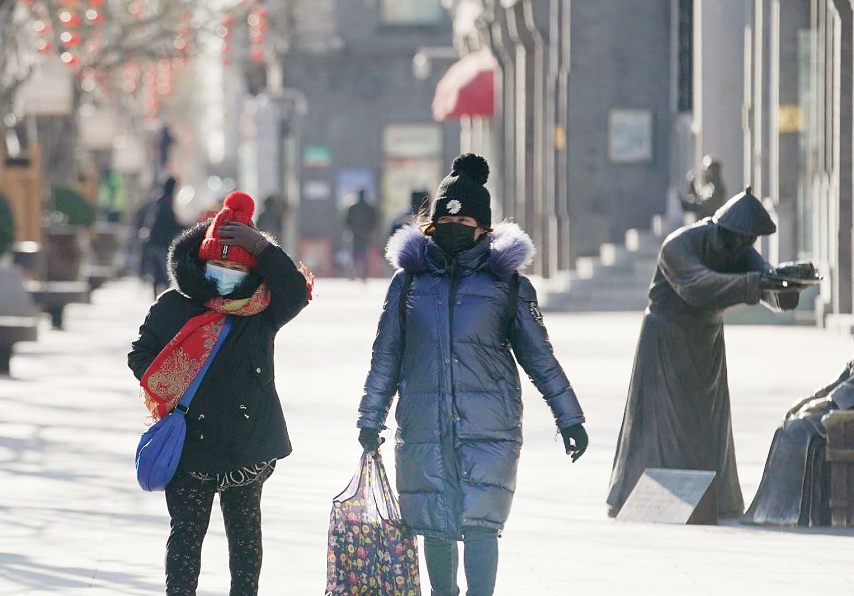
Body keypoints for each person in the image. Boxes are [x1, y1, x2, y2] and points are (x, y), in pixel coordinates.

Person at [357, 154, 589, 596]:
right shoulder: (409, 283)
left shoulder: (507, 285)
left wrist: (569, 417)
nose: (453, 224)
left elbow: (540, 357)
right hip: (425, 421)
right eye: (446, 216)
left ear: (484, 227)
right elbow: (385, 356)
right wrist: (370, 417)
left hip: (490, 423)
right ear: (431, 222)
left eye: (464, 217)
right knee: (435, 523)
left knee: (482, 523)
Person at [128, 191, 310, 596]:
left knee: (245, 541)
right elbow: (140, 353)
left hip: (248, 444)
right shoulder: (175, 306)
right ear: (203, 262)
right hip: (192, 443)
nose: (226, 271)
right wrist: (171, 378)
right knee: (186, 539)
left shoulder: (263, 309)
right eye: (218, 263)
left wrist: (260, 246)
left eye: (235, 265)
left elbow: (296, 291)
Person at [606, 187, 803, 519]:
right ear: (725, 230)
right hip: (666, 342)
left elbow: (765, 281)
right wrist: (758, 283)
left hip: (706, 341)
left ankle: (717, 498)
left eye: (752, 240)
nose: (747, 245)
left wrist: (787, 283)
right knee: (662, 423)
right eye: (744, 238)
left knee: (707, 423)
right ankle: (643, 495)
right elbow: (697, 286)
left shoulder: (738, 246)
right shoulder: (678, 246)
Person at [744, 356, 854, 526]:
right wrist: (809, 400)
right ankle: (772, 508)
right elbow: (837, 383)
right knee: (788, 425)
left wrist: (824, 402)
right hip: (840, 407)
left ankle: (792, 511)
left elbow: (846, 393)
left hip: (846, 412)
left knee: (799, 430)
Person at [144, 177, 184, 298]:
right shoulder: (167, 202)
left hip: (157, 241)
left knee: (159, 271)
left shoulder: (160, 201)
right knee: (164, 270)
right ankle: (162, 297)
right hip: (162, 243)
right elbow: (170, 223)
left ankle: (159, 296)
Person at [344, 189, 378, 281]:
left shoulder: (352, 207)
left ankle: (353, 274)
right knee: (364, 255)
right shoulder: (370, 208)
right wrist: (369, 231)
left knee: (355, 254)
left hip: (355, 234)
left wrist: (352, 229)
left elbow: (347, 221)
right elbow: (374, 222)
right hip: (366, 234)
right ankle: (363, 275)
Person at [682, 155, 727, 220]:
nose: (704, 173)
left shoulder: (716, 188)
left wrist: (688, 206)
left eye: (707, 170)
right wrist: (692, 186)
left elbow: (705, 207)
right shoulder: (708, 187)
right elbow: (698, 200)